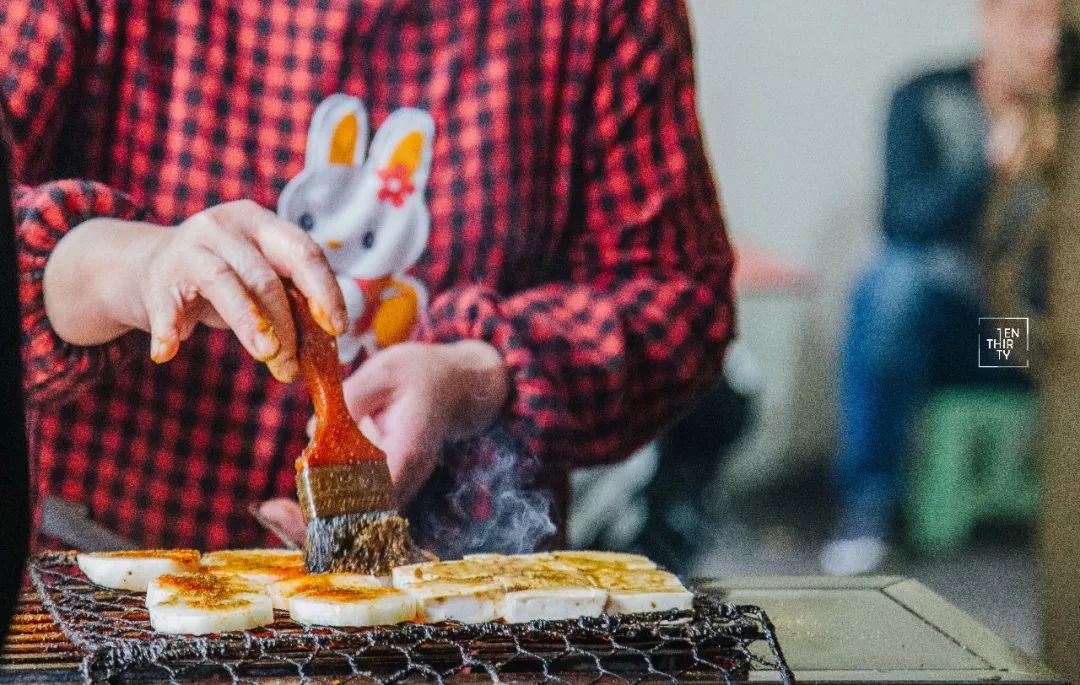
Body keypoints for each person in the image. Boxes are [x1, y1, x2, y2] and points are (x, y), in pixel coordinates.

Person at [1, 0, 734, 556]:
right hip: (111, 576)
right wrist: (113, 266)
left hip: (448, 620)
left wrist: (479, 375)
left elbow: (677, 292)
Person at [821, 0, 1059, 575]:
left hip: (1030, 336)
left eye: (1057, 27)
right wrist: (989, 165)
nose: (1045, 44)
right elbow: (904, 221)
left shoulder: (1067, 114)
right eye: (1031, 22)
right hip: (961, 334)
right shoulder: (925, 97)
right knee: (892, 282)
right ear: (991, 20)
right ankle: (869, 506)